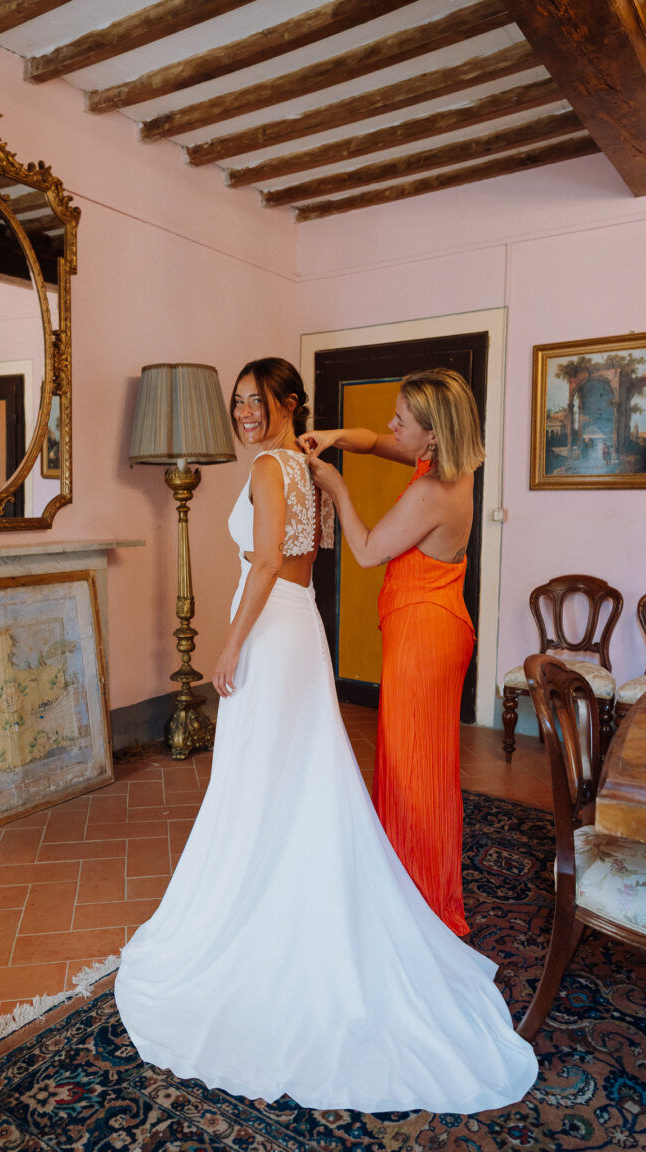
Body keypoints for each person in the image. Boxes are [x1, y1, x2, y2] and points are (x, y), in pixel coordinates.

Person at [114, 358, 537, 1113]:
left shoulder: (297, 472)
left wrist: (230, 644)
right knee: (307, 771)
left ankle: (376, 900)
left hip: (299, 626)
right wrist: (343, 441)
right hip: (301, 622)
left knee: (325, 774)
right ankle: (396, 890)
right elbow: (330, 523)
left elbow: (286, 559)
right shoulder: (372, 465)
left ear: (284, 404)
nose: (243, 412)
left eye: (254, 400)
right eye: (236, 401)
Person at [299, 368, 483, 937]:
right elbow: (378, 443)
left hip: (424, 640)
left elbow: (367, 549)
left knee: (412, 771)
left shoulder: (433, 491)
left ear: (431, 435)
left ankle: (418, 903)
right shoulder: (448, 464)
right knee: (424, 765)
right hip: (435, 627)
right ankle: (420, 885)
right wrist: (334, 437)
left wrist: (336, 486)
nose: (389, 426)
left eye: (401, 419)